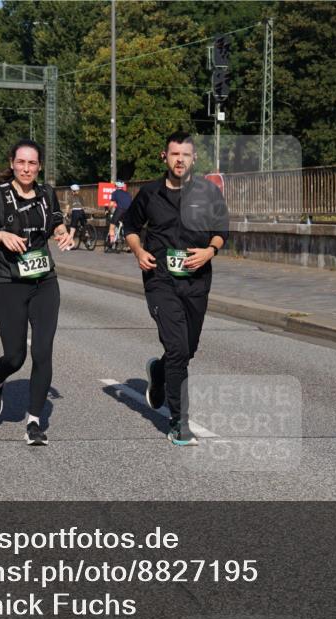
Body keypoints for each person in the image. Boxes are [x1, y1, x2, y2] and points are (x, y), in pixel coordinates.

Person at [122, 131, 229, 446]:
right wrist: (139, 251)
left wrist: (210, 251)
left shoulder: (208, 192)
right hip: (160, 280)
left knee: (188, 349)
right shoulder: (150, 193)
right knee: (178, 349)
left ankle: (160, 372)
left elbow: (221, 230)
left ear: (194, 158)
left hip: (197, 281)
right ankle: (178, 422)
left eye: (185, 155)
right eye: (174, 154)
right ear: (164, 157)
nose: (179, 160)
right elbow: (130, 227)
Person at [0, 139, 74, 445]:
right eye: (21, 162)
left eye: (32, 163)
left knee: (42, 352)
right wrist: (0, 235)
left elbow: (56, 222)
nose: (27, 168)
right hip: (9, 283)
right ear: (12, 164)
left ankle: (34, 422)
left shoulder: (46, 194)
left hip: (44, 281)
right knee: (16, 356)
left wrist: (63, 234)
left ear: (39, 166)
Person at [107, 180, 131, 248]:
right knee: (127, 229)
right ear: (122, 186)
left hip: (120, 210)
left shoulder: (115, 193)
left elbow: (111, 204)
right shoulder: (128, 194)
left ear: (116, 186)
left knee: (112, 225)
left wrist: (108, 210)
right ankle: (128, 246)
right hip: (129, 211)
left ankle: (111, 242)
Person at [68, 184, 87, 248]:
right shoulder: (80, 197)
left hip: (75, 212)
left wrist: (66, 213)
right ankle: (86, 234)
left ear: (73, 191)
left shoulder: (71, 197)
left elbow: (68, 206)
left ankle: (70, 243)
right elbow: (83, 206)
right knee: (84, 225)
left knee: (72, 227)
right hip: (81, 211)